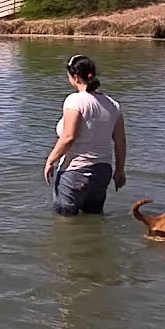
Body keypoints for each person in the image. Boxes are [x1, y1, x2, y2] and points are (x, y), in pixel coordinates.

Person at [43, 54, 127, 216]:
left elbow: (68, 137)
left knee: (64, 224)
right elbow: (120, 142)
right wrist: (120, 170)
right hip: (103, 172)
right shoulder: (113, 105)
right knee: (94, 220)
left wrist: (50, 160)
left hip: (75, 172)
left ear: (75, 77)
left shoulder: (74, 101)